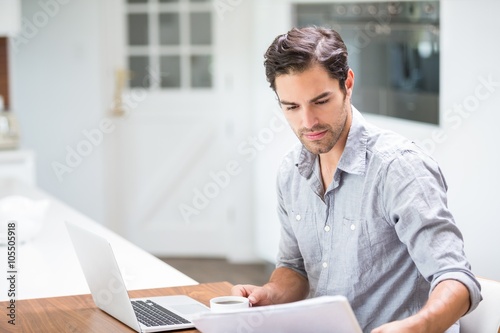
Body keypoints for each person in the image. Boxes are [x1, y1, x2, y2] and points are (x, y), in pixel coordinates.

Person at [231, 26, 482, 333]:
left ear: (347, 84)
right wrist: (267, 295)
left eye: (320, 101)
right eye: (292, 107)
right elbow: (294, 269)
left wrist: (418, 327)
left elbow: (454, 276)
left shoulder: (399, 168)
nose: (307, 122)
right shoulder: (291, 171)